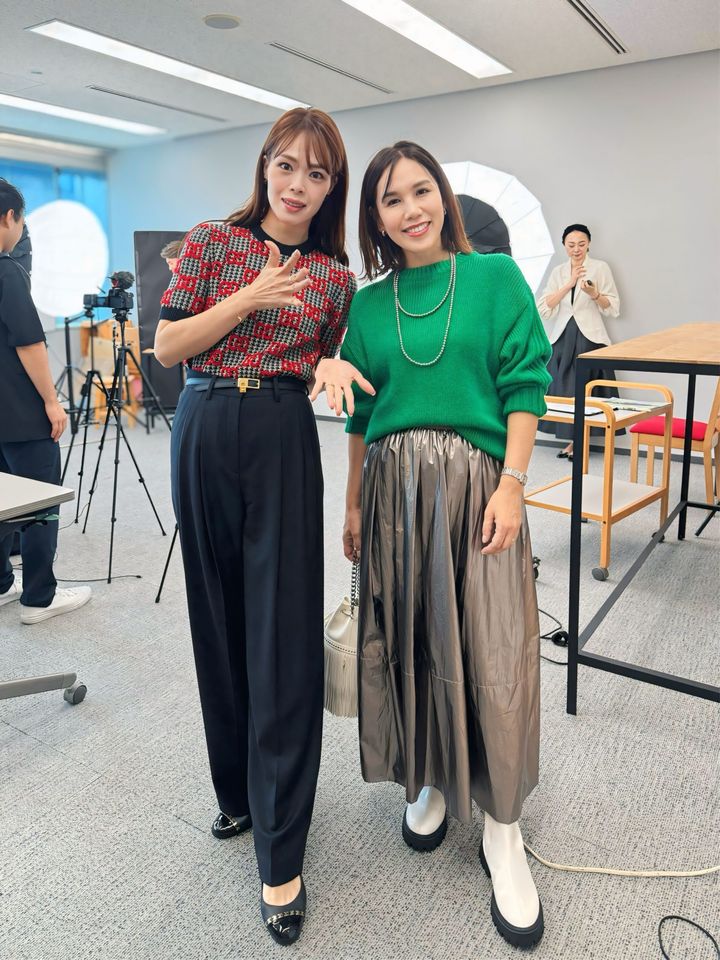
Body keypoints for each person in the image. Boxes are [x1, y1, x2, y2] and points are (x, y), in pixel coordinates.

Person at [154, 108, 372, 946]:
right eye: (286, 165)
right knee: (217, 618)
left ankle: (282, 852)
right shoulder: (212, 242)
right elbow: (168, 346)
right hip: (204, 422)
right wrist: (249, 295)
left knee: (281, 631)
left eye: (316, 173)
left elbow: (322, 360)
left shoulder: (333, 278)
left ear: (331, 187)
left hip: (281, 430)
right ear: (265, 166)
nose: (297, 185)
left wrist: (328, 361)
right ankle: (237, 793)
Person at [341, 142, 551, 949]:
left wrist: (513, 484)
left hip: (477, 486)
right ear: (376, 219)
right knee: (413, 639)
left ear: (444, 197)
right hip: (392, 492)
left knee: (493, 647)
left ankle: (503, 824)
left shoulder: (494, 278)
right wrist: (351, 505)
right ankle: (426, 775)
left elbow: (525, 383)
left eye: (422, 191)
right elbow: (361, 418)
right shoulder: (369, 304)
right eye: (391, 200)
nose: (411, 210)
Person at [0, 178, 92, 623]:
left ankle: (1, 583)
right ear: (10, 218)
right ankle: (39, 597)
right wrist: (53, 402)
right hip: (21, 412)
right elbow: (29, 343)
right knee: (40, 502)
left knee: (3, 496)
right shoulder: (7, 271)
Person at [537, 224, 620, 459]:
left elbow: (613, 308)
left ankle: (578, 444)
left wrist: (594, 294)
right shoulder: (559, 272)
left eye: (581, 244)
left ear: (589, 244)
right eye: (571, 244)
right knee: (564, 391)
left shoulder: (600, 268)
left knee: (587, 390)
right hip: (563, 338)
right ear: (564, 245)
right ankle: (574, 442)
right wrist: (569, 284)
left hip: (590, 337)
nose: (576, 249)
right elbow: (544, 308)